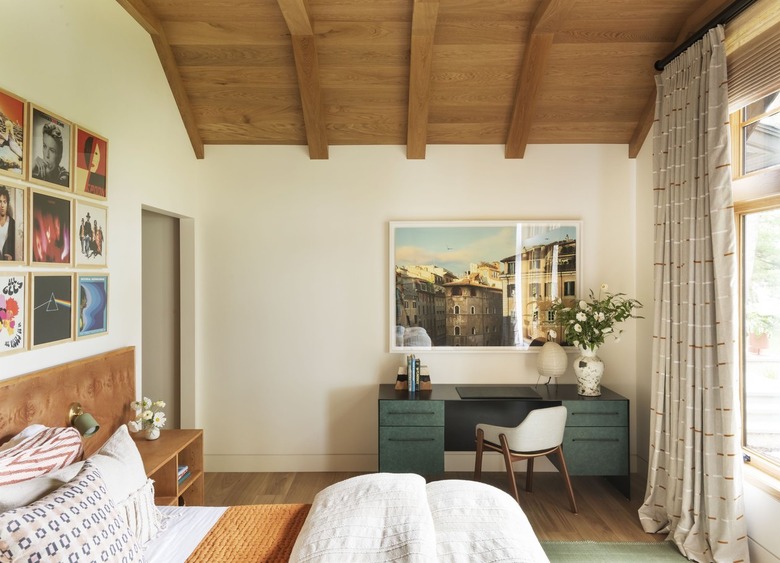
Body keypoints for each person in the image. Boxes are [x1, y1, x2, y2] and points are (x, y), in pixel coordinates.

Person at [32, 121, 69, 187]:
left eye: (52, 150)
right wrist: (31, 167)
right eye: (45, 146)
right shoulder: (36, 169)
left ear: (60, 156)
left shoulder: (65, 177)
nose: (47, 155)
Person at [0, 186, 15, 260]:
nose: (2, 205)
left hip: (8, 266)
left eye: (4, 202)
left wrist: (12, 257)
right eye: (0, 202)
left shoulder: (13, 224)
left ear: (7, 204)